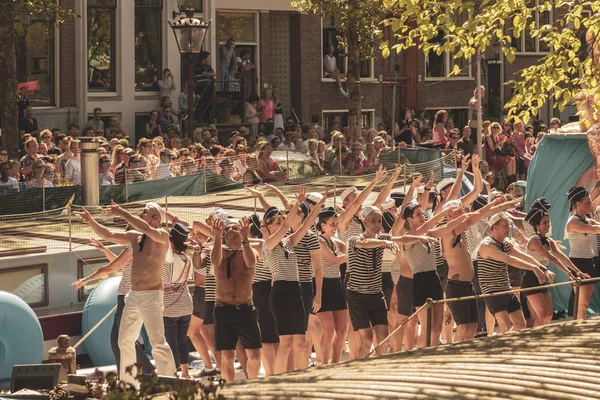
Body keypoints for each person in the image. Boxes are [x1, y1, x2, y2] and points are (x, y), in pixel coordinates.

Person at [74, 203, 176, 388]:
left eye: (146, 212)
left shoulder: (162, 235)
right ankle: (129, 384)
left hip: (152, 295)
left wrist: (121, 212)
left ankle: (170, 383)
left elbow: (146, 228)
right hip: (134, 295)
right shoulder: (135, 237)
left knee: (157, 342)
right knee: (124, 340)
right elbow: (107, 235)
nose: (142, 213)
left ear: (156, 218)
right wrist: (91, 221)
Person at [347, 206, 433, 357]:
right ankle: (360, 372)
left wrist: (420, 238)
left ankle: (376, 369)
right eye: (373, 221)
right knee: (367, 339)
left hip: (376, 295)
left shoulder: (382, 238)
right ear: (364, 221)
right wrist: (384, 243)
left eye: (379, 221)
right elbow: (365, 244)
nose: (377, 224)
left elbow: (402, 239)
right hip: (357, 295)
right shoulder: (355, 239)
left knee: (383, 340)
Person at [263, 188, 327, 374]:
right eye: (277, 222)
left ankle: (302, 378)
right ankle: (279, 380)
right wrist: (298, 203)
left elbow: (306, 225)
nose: (282, 224)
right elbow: (286, 227)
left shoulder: (289, 242)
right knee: (286, 343)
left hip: (296, 290)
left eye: (282, 221)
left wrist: (319, 204)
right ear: (269, 227)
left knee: (300, 342)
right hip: (280, 292)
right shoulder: (268, 244)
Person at [71, 238, 154, 378]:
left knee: (119, 341)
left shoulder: (134, 247)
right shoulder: (140, 249)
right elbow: (121, 264)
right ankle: (139, 372)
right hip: (132, 297)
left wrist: (85, 280)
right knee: (121, 340)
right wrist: (104, 249)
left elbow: (110, 268)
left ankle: (140, 373)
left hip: (127, 298)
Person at [477, 213, 550, 333]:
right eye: (505, 226)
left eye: (509, 225)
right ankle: (496, 347)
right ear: (495, 228)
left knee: (521, 325)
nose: (509, 228)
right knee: (505, 326)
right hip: (492, 291)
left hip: (506, 288)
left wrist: (543, 268)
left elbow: (524, 256)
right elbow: (509, 260)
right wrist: (534, 269)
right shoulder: (487, 245)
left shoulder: (506, 243)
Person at [211, 217, 262, 382]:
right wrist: (217, 236)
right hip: (223, 308)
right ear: (225, 238)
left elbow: (251, 262)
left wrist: (245, 238)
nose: (234, 239)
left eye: (236, 236)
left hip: (245, 308)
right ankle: (230, 389)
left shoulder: (249, 251)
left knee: (254, 355)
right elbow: (214, 261)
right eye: (230, 236)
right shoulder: (220, 251)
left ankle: (253, 386)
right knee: (227, 354)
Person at [525, 198, 586, 327]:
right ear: (537, 226)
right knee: (540, 314)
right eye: (544, 223)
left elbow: (562, 256)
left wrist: (577, 271)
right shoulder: (534, 240)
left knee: (548, 315)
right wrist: (569, 273)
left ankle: (540, 339)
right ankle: (534, 342)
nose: (548, 225)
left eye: (548, 222)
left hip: (543, 278)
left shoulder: (548, 240)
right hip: (531, 278)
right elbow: (552, 257)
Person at [316, 207, 349, 364]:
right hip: (323, 286)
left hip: (337, 284)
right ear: (322, 226)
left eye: (336, 224)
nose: (335, 227)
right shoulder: (317, 241)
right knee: (328, 331)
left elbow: (350, 246)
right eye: (332, 224)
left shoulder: (335, 242)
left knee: (342, 329)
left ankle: (335, 363)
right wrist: (351, 255)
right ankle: (323, 363)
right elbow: (333, 260)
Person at [162, 223, 194, 378]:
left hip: (169, 306)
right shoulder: (187, 258)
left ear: (171, 242)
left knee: (170, 343)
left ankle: (173, 374)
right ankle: (186, 373)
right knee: (182, 342)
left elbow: (165, 281)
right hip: (186, 304)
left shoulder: (169, 260)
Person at [565, 186, 600, 319]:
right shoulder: (573, 222)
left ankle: (580, 325)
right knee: (581, 303)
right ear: (578, 204)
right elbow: (595, 229)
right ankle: (578, 328)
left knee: (585, 303)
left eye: (590, 202)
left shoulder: (586, 219)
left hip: (589, 261)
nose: (590, 205)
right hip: (578, 263)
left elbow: (596, 226)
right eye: (587, 203)